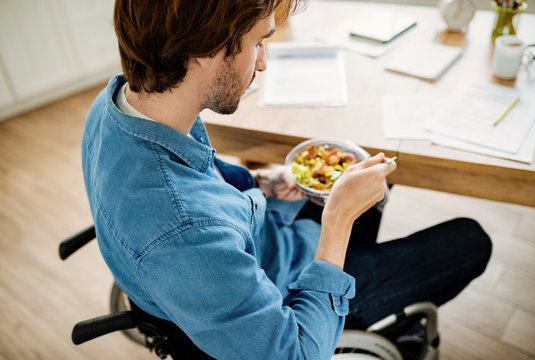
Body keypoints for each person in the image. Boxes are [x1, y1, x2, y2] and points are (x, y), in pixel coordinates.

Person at [81, 0, 492, 358]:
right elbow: (295, 353)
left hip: (261, 246)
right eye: (258, 43)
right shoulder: (185, 231)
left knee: (365, 176)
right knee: (471, 241)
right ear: (203, 48)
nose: (262, 61)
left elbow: (202, 183)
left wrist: (265, 183)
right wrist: (337, 223)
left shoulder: (118, 104)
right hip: (289, 297)